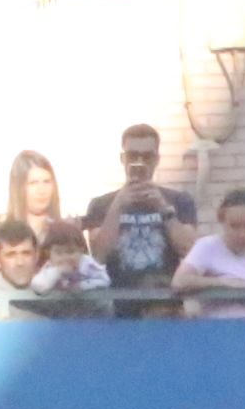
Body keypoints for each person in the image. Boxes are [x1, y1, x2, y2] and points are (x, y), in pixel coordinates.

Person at [83, 124, 198, 305]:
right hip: (118, 308)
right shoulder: (101, 205)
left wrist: (163, 208)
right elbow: (98, 255)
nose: (140, 161)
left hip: (165, 309)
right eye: (132, 155)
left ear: (156, 160)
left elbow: (190, 251)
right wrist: (118, 205)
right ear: (123, 158)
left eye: (147, 156)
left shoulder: (179, 201)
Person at [172, 188, 245, 315]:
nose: (242, 234)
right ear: (222, 222)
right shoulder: (207, 246)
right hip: (218, 329)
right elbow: (179, 282)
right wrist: (222, 282)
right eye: (234, 226)